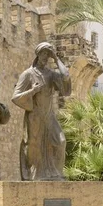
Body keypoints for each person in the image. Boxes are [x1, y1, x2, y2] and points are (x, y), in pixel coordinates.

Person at [12, 42, 72, 181]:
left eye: (48, 54)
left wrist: (56, 59)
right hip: (35, 116)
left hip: (49, 116)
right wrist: (32, 91)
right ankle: (32, 175)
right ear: (38, 55)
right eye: (43, 53)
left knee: (60, 141)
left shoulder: (51, 75)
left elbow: (66, 77)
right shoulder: (28, 74)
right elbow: (15, 97)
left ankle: (56, 174)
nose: (46, 57)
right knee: (34, 147)